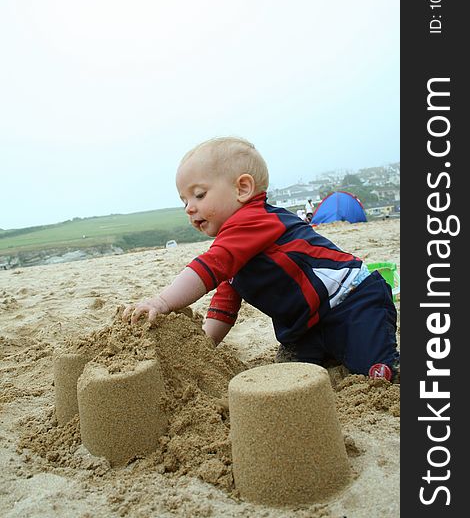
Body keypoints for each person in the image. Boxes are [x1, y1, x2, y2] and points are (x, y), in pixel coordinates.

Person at [122, 137, 399, 381]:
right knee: (291, 371)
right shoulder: (235, 248)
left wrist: (162, 302)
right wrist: (204, 346)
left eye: (199, 194)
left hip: (352, 302)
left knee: (375, 371)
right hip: (307, 325)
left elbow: (208, 267)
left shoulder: (256, 219)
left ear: (242, 188)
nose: (189, 208)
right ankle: (328, 348)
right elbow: (224, 307)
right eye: (184, 201)